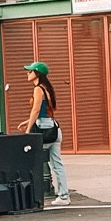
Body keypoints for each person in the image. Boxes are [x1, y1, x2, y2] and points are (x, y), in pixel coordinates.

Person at [22, 62, 70, 207]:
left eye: (30, 71)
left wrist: (28, 129)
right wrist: (26, 122)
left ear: (37, 73)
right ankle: (64, 195)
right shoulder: (47, 88)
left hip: (43, 129)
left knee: (33, 160)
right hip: (54, 128)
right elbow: (45, 112)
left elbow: (36, 110)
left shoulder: (38, 89)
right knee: (57, 164)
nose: (27, 73)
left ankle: (34, 194)